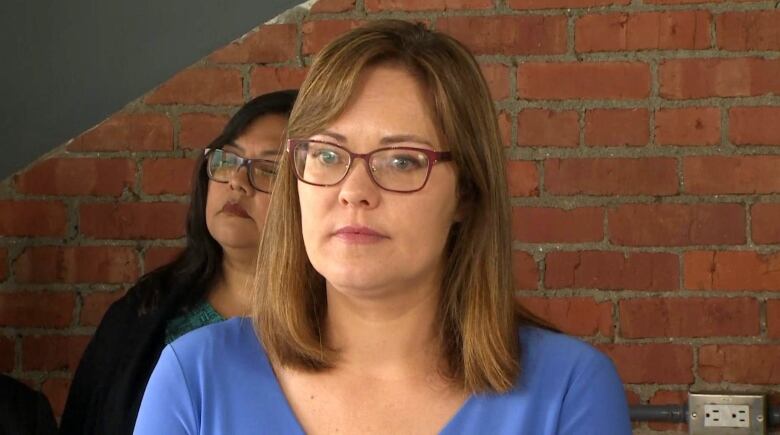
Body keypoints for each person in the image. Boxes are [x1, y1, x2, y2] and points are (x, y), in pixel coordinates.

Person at [134, 20, 632, 434]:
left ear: (466, 194)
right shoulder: (195, 376)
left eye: (401, 161)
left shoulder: (568, 389)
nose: (354, 191)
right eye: (327, 154)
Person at [59, 89, 298, 435]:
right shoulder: (143, 311)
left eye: (268, 169)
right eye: (228, 160)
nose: (236, 181)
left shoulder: (334, 323)